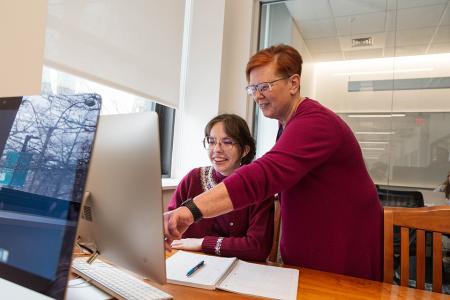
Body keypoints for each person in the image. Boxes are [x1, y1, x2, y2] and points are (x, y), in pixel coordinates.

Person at [164, 44, 383, 281]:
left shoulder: (315, 122)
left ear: (294, 83)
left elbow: (265, 173)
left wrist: (192, 210)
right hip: (312, 248)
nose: (257, 95)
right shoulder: (287, 125)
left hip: (340, 247)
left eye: (264, 86)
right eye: (253, 88)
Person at [167, 114, 274, 261]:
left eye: (227, 142)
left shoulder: (258, 186)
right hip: (189, 263)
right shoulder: (192, 178)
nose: (217, 149)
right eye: (211, 142)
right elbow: (170, 226)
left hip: (240, 271)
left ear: (245, 150)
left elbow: (257, 247)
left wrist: (202, 243)